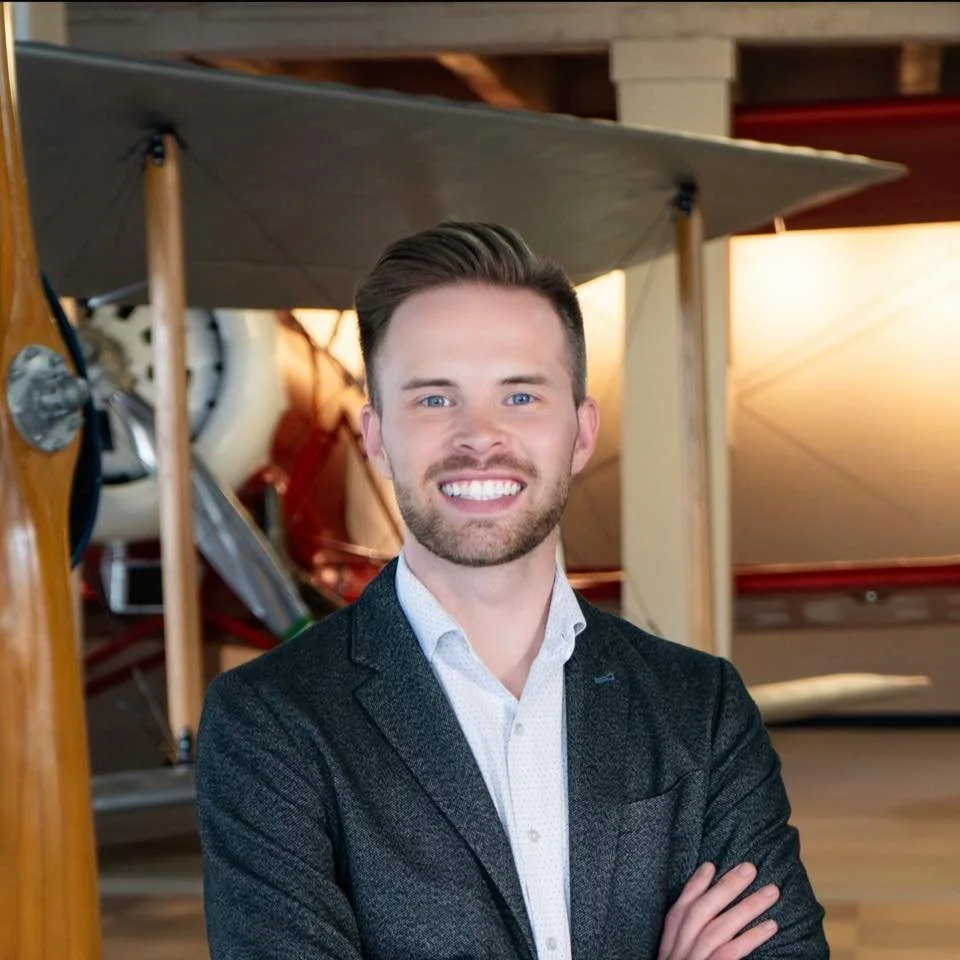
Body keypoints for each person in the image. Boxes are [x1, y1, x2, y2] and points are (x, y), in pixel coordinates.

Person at [197, 222, 828, 959]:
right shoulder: (271, 724)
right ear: (375, 435)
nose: (480, 436)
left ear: (581, 432)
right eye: (434, 400)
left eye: (521, 397)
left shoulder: (702, 706)